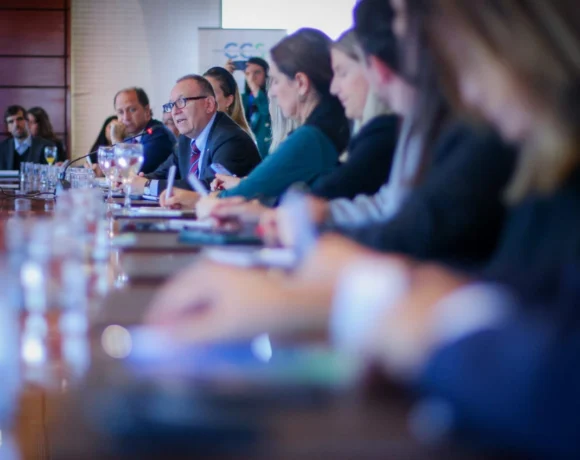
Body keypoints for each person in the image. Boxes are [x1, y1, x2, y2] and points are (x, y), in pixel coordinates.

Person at [161, 28, 350, 209]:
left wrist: (197, 199)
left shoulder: (309, 139)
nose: (272, 92)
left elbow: (246, 193)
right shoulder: (325, 133)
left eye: (275, 81)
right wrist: (241, 183)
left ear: (300, 83)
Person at [132, 74, 261, 199]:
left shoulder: (230, 139)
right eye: (171, 105)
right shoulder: (186, 139)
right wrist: (136, 181)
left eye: (181, 102)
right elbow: (165, 173)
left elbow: (209, 187)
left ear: (209, 104)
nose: (174, 112)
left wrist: (148, 186)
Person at [309, 29, 398, 200]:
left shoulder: (383, 136)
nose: (333, 88)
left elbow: (323, 197)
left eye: (343, 73)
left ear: (375, 70)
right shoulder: (374, 135)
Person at [110, 87, 176, 174]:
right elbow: (113, 170)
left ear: (147, 111)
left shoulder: (159, 134)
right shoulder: (128, 138)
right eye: (121, 112)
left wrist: (116, 141)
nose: (126, 118)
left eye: (132, 110)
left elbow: (131, 171)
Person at [227, 57, 272, 159]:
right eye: (248, 73)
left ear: (266, 74)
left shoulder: (272, 96)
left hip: (266, 152)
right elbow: (226, 108)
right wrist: (227, 76)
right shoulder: (244, 98)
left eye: (257, 72)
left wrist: (254, 86)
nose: (252, 77)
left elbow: (266, 111)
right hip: (246, 151)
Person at [203, 66, 255, 141]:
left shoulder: (236, 138)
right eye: (201, 93)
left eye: (212, 93)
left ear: (228, 100)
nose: (204, 100)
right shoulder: (197, 134)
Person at [0, 105, 54, 170]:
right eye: (11, 122)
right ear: (8, 128)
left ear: (28, 122)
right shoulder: (2, 148)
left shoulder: (46, 146)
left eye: (19, 119)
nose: (16, 125)